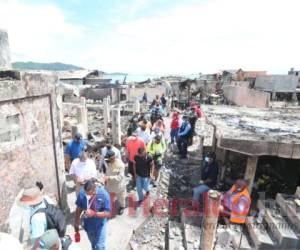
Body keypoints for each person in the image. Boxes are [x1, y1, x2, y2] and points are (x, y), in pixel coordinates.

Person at [74, 180, 111, 250]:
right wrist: (76, 221)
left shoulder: (104, 194)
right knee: (94, 245)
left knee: (100, 246)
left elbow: (107, 213)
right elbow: (79, 207)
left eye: (90, 194)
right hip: (88, 225)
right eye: (86, 194)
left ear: (95, 190)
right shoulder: (82, 193)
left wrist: (94, 213)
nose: (87, 196)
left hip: (100, 225)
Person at [104, 150, 126, 215]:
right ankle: (108, 208)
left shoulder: (120, 165)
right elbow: (107, 171)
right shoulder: (107, 161)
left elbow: (120, 177)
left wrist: (109, 177)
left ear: (113, 158)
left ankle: (122, 207)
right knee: (109, 198)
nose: (107, 160)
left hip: (118, 186)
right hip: (110, 186)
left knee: (121, 198)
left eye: (108, 159)